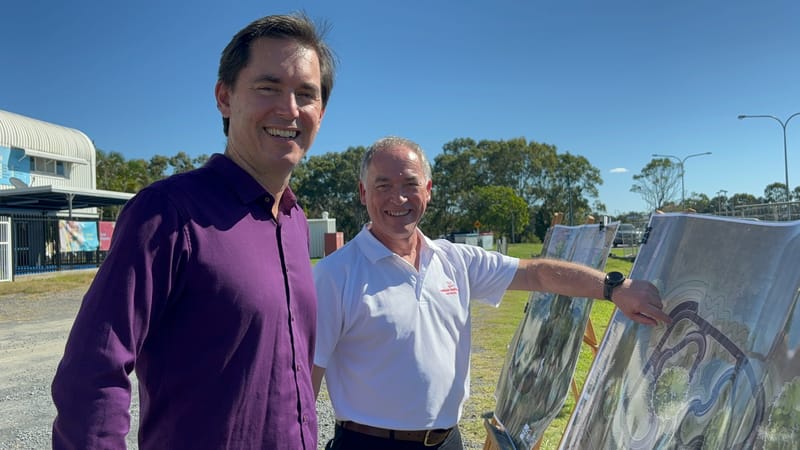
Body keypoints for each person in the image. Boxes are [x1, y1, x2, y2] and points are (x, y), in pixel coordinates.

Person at [52, 13, 335, 450]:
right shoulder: (168, 213)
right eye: (268, 87)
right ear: (224, 97)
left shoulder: (294, 221)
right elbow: (92, 371)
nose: (290, 108)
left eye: (306, 94)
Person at [312, 136, 671, 450]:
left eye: (410, 183)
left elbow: (539, 275)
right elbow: (304, 387)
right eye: (383, 185)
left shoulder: (455, 260)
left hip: (448, 442)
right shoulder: (334, 275)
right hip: (369, 444)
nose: (399, 197)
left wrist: (614, 288)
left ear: (429, 190)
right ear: (362, 193)